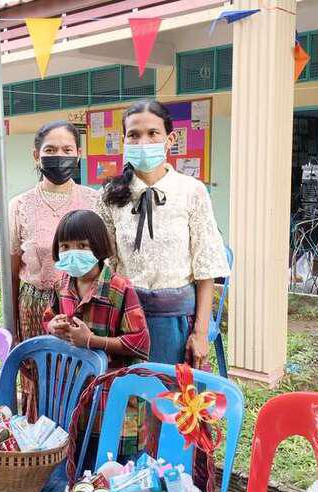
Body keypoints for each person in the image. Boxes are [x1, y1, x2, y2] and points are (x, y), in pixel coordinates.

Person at [96, 100, 229, 369]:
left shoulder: (191, 191)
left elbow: (205, 268)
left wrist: (200, 332)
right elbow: (102, 263)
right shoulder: (109, 195)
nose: (143, 141)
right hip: (124, 320)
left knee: (172, 392)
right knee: (128, 391)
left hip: (176, 322)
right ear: (124, 141)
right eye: (134, 135)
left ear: (170, 139)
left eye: (152, 133)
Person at [43, 210, 149, 462]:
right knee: (80, 460)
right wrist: (52, 326)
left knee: (115, 466)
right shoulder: (62, 285)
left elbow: (140, 343)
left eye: (82, 246)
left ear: (99, 247)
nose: (73, 252)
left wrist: (91, 341)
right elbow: (48, 317)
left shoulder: (120, 289)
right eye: (65, 246)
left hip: (113, 398)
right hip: (75, 394)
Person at [8, 120, 98, 417]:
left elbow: (104, 259)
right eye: (50, 150)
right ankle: (37, 438)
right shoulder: (20, 205)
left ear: (79, 154)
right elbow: (12, 269)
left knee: (78, 380)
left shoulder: (94, 200)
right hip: (34, 305)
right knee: (38, 379)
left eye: (67, 150)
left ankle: (75, 441)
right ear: (37, 155)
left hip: (82, 306)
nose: (59, 156)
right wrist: (12, 324)